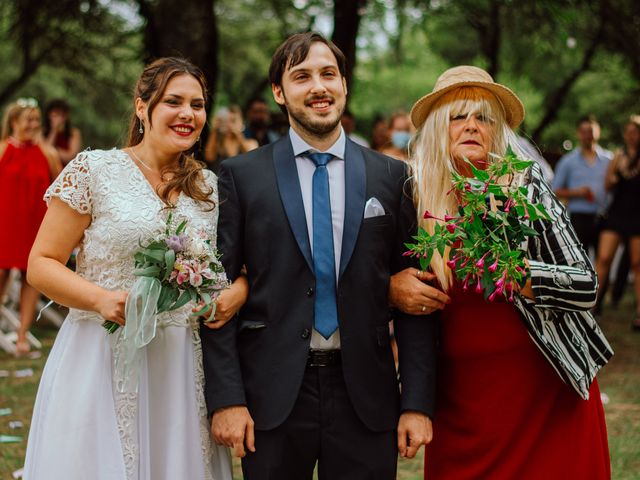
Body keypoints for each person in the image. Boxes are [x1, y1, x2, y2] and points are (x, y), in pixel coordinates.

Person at [200, 32, 438, 479]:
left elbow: (415, 297)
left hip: (366, 393)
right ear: (279, 92)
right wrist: (228, 399)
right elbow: (216, 295)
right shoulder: (240, 177)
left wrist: (417, 403)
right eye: (301, 76)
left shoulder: (392, 176)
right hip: (272, 394)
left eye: (329, 74)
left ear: (345, 84)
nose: (318, 87)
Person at [23, 57, 249, 480]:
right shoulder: (95, 171)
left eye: (197, 105)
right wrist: (101, 298)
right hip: (100, 355)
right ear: (142, 106)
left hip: (180, 365)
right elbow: (41, 264)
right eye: (173, 102)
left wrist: (238, 292)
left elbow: (241, 267)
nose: (188, 114)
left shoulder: (210, 189)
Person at [402, 65, 613, 479]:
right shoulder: (416, 196)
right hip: (463, 399)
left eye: (483, 117)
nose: (471, 126)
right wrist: (394, 287)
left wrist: (518, 274)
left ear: (497, 130)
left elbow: (586, 285)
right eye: (458, 116)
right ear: (438, 129)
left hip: (543, 391)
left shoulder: (524, 186)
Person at [0, 98, 61, 356]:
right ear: (14, 122)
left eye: (37, 120)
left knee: (30, 278)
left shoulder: (48, 153)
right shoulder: (2, 149)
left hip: (35, 224)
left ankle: (22, 337)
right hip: (6, 222)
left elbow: (60, 187)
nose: (34, 125)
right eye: (29, 120)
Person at [596, 117, 640, 329]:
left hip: (637, 216)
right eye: (628, 132)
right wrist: (618, 173)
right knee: (603, 258)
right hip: (617, 214)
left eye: (635, 132)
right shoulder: (618, 156)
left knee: (638, 264)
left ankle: (639, 314)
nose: (631, 136)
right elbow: (608, 185)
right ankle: (591, 306)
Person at [552, 116, 612, 256]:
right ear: (578, 134)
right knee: (579, 260)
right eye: (584, 132)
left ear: (598, 132)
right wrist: (578, 193)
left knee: (604, 259)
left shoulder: (609, 159)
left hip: (604, 217)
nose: (587, 135)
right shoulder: (568, 161)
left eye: (591, 131)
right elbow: (555, 190)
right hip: (579, 218)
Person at [204, 105, 258, 172]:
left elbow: (252, 157)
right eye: (226, 121)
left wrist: (238, 134)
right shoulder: (218, 142)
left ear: (242, 123)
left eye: (233, 121)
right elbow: (209, 158)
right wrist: (215, 129)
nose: (229, 125)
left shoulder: (251, 142)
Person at [43, 98, 82, 165]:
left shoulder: (74, 133)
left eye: (60, 115)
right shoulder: (43, 132)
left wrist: (53, 152)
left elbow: (71, 157)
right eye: (54, 115)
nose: (58, 119)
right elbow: (45, 154)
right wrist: (54, 131)